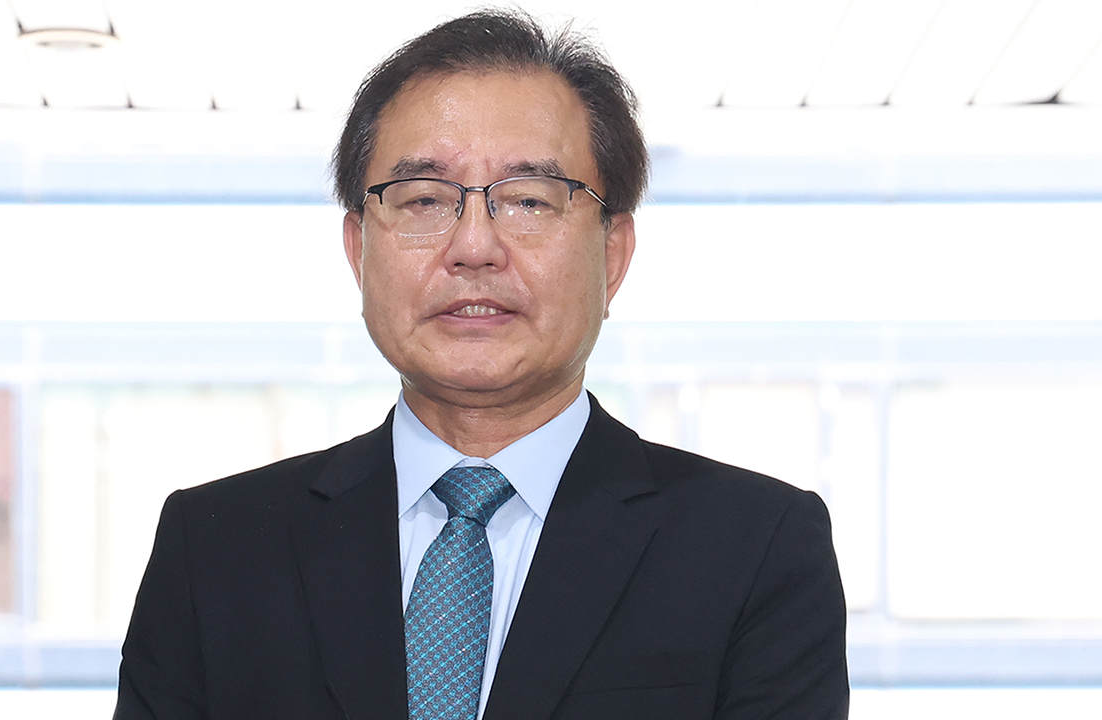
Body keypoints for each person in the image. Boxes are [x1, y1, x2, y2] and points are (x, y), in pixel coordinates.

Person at [113, 9, 848, 720]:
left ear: (613, 255)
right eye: (423, 199)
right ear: (358, 251)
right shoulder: (215, 546)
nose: (473, 247)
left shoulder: (758, 548)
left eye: (529, 200)